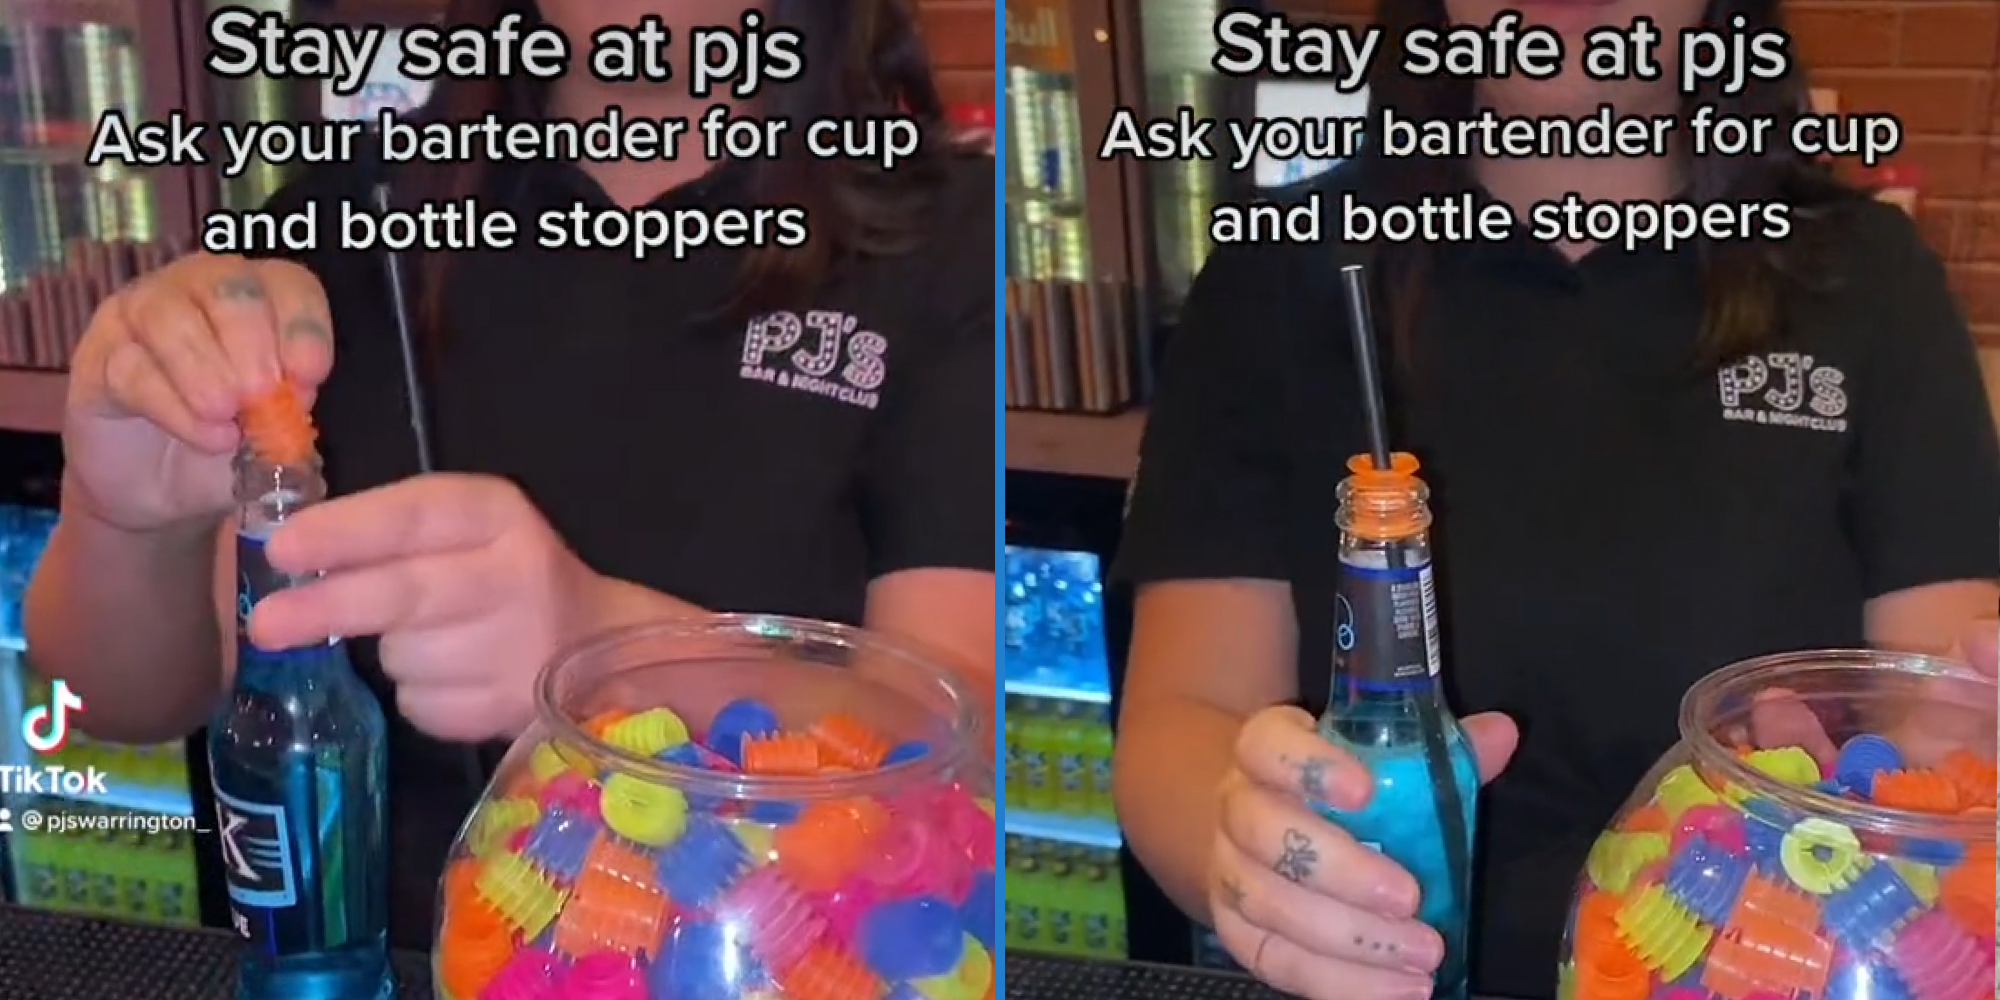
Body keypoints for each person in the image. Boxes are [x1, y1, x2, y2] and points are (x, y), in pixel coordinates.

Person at [24, 0, 993, 947]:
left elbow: (966, 741)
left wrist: (606, 651)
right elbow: (128, 701)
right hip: (388, 957)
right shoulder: (348, 221)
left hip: (781, 958)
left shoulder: (947, 240)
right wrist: (128, 522)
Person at [1110, 0, 2000, 996]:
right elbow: (1184, 716)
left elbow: (1940, 713)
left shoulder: (1869, 281)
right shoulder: (1277, 273)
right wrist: (1251, 854)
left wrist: (1954, 776)